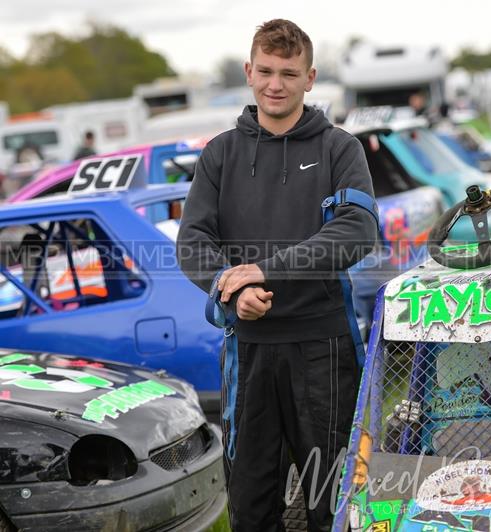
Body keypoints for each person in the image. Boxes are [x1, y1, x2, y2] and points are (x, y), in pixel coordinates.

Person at [176, 19, 378, 531]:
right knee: (250, 505)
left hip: (324, 348)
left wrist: (266, 270)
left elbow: (357, 232)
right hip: (249, 353)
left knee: (333, 503)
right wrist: (231, 288)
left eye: (289, 73)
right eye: (265, 71)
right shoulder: (220, 153)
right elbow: (193, 243)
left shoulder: (339, 149)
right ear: (249, 71)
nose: (275, 84)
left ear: (310, 78)